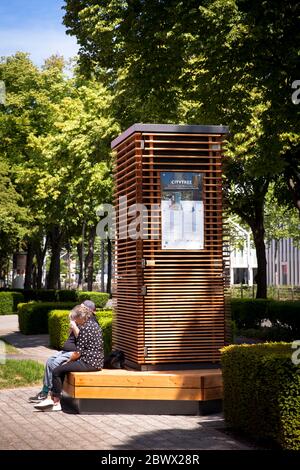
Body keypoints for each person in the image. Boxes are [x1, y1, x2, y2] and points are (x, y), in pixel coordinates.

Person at [34, 304, 104, 412]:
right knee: (61, 369)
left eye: (77, 319)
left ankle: (56, 402)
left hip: (89, 362)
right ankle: (54, 399)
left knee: (57, 370)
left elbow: (78, 353)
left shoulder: (85, 328)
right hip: (95, 361)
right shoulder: (93, 324)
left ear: (81, 317)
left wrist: (68, 361)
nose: (76, 322)